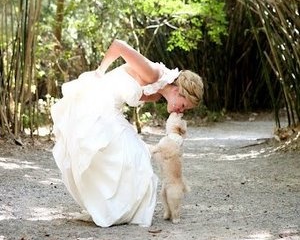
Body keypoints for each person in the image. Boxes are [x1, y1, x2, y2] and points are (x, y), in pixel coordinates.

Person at [51, 39, 204, 227]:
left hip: (110, 111)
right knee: (129, 153)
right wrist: (100, 71)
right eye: (183, 106)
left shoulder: (157, 93)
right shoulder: (154, 73)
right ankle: (111, 208)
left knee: (135, 155)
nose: (180, 111)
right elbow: (119, 46)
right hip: (97, 104)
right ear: (179, 92)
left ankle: (115, 208)